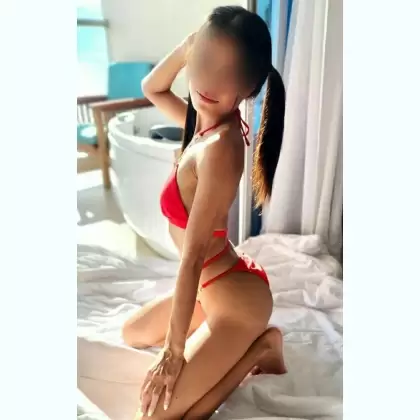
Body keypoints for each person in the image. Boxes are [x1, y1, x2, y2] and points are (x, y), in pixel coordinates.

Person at [122, 6, 287, 419]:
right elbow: (151, 87)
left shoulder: (220, 148)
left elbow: (193, 256)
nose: (209, 81)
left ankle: (260, 347)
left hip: (235, 302)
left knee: (156, 416)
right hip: (208, 289)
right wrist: (188, 48)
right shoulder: (200, 123)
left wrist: (173, 352)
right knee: (131, 333)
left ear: (248, 89)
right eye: (205, 61)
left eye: (227, 72)